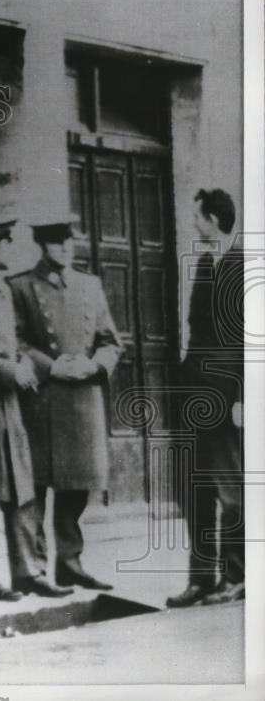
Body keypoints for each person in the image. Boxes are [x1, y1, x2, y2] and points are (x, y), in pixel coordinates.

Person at [8, 214, 122, 591]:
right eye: (58, 242)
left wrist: (94, 366)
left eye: (70, 241)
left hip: (83, 398)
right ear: (42, 245)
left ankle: (70, 561)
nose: (66, 248)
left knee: (77, 486)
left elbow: (110, 341)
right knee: (36, 488)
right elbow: (16, 341)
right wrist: (52, 365)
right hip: (42, 399)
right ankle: (34, 568)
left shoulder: (90, 285)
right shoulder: (21, 287)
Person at [0, 216, 72, 599]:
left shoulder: (1, 290)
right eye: (8, 241)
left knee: (21, 486)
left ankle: (28, 570)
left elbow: (14, 343)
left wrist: (23, 364)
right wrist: (13, 370)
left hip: (11, 401)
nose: (14, 249)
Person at [166, 188, 244, 607]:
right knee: (196, 488)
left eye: (197, 217)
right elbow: (197, 331)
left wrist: (244, 398)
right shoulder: (204, 261)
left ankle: (236, 576)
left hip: (229, 398)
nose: (193, 223)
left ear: (213, 219)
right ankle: (201, 578)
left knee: (231, 489)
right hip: (194, 395)